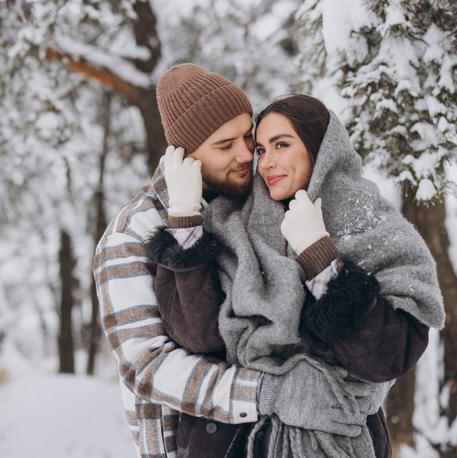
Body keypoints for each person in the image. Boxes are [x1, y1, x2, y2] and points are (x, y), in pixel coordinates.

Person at [93, 66, 373, 458]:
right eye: (225, 146)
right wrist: (269, 391)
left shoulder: (268, 193)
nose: (246, 155)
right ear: (185, 155)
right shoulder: (132, 233)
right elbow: (148, 365)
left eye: (247, 136)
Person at [146, 94, 446, 457]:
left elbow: (388, 357)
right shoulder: (231, 223)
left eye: (281, 145)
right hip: (237, 439)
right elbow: (197, 336)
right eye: (260, 150)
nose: (266, 162)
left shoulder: (373, 224)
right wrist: (183, 216)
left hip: (342, 434)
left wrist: (323, 261)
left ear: (321, 149)